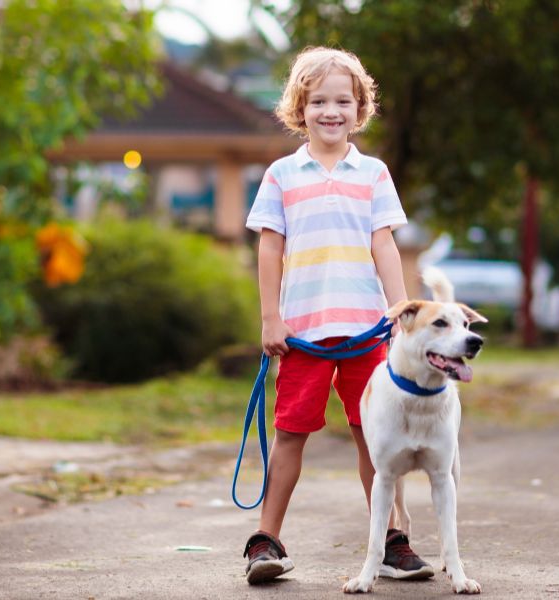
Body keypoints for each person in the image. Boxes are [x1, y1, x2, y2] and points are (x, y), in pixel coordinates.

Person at [242, 46, 432, 585]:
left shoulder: (373, 173)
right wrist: (271, 318)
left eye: (343, 101)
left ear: (360, 108)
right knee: (289, 435)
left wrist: (403, 314)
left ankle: (391, 541)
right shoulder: (282, 174)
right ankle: (265, 541)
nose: (331, 111)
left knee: (375, 438)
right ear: (299, 109)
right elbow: (270, 249)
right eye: (319, 101)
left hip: (366, 333)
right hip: (302, 334)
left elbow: (384, 245)